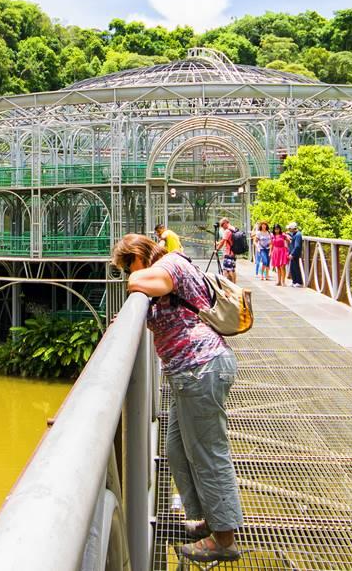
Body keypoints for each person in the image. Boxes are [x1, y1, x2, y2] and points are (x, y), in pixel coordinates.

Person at [113, 234, 244, 562]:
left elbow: (143, 284)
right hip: (190, 371)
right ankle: (206, 520)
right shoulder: (167, 267)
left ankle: (224, 539)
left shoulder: (170, 263)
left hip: (200, 367)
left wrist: (134, 276)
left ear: (140, 256)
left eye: (129, 264)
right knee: (176, 448)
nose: (128, 272)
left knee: (207, 453)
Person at [215, 218, 239, 283]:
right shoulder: (233, 229)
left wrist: (217, 249)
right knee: (233, 269)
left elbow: (223, 241)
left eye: (222, 225)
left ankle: (228, 285)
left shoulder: (227, 231)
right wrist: (219, 243)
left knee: (227, 271)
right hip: (233, 253)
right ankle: (234, 284)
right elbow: (228, 240)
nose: (222, 227)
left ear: (226, 223)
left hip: (228, 253)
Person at [286, 222, 306, 288]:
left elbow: (297, 246)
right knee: (292, 268)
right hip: (293, 254)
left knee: (296, 268)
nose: (289, 230)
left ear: (293, 228)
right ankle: (294, 281)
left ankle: (299, 282)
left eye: (289, 229)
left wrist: (292, 254)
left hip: (295, 254)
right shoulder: (295, 234)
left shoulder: (298, 235)